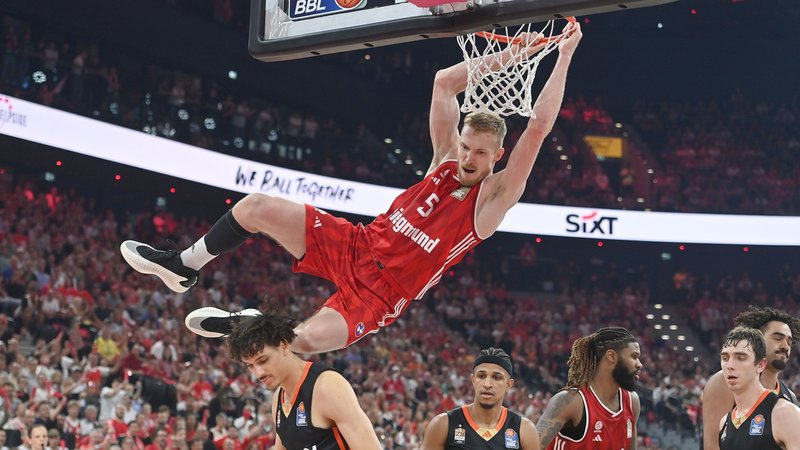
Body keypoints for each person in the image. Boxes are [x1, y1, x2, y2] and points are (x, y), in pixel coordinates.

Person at [120, 23, 582, 353]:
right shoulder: (444, 159)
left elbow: (538, 128)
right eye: (465, 147)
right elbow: (444, 84)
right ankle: (184, 265)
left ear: (496, 158)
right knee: (256, 206)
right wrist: (518, 51)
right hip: (356, 243)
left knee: (301, 341)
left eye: (479, 154)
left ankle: (251, 324)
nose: (467, 158)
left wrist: (561, 55)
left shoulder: (494, 200)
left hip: (381, 295)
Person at [226, 311, 381, 450]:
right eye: (250, 366)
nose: (258, 373)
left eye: (263, 360)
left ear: (284, 346)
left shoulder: (327, 387)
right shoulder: (278, 400)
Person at [702, 306, 800, 450]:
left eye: (789, 342)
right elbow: (713, 446)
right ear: (757, 339)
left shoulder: (788, 399)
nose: (785, 346)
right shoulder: (723, 382)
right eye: (778, 338)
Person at [536, 327, 642, 449]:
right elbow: (532, 447)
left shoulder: (632, 402)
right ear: (612, 356)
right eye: (634, 357)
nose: (639, 364)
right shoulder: (571, 402)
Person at [421, 347, 539, 450]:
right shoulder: (442, 424)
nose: (487, 384)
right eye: (481, 376)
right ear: (473, 380)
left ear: (509, 384)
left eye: (496, 377)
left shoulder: (524, 430)